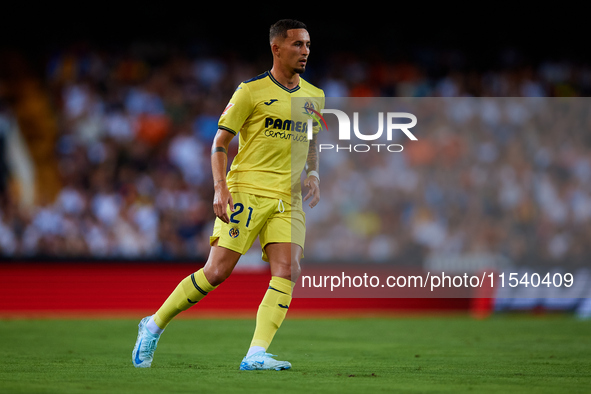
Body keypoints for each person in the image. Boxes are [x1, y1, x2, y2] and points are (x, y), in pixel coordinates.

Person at [132, 19, 324, 371]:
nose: (305, 51)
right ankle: (154, 324)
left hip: (289, 199)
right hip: (247, 192)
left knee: (288, 270)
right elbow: (219, 143)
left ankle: (255, 354)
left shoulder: (315, 96)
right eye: (297, 45)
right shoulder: (249, 91)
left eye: (308, 45)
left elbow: (312, 140)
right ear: (276, 48)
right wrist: (221, 187)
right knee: (216, 272)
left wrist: (312, 172)